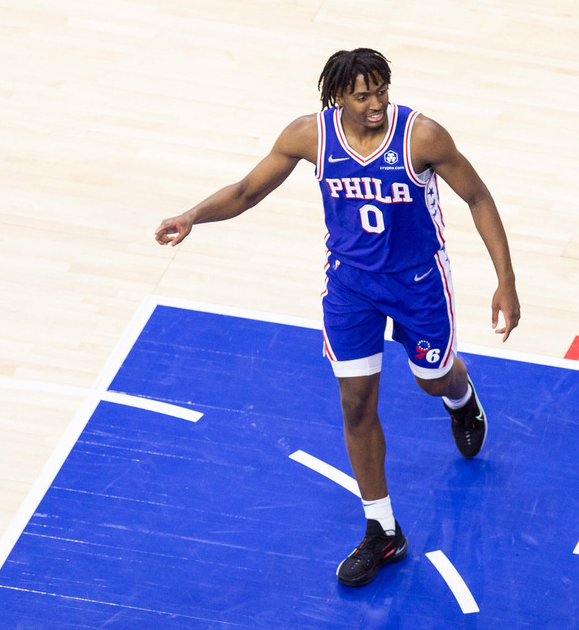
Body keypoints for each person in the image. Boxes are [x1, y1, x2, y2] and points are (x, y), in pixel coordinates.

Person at [154, 48, 520, 587]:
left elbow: (479, 197)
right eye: (362, 95)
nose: (375, 104)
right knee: (355, 403)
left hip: (417, 283)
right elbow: (246, 191)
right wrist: (192, 216)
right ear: (338, 98)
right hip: (351, 286)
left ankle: (461, 399)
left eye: (381, 92)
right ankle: (383, 530)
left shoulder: (422, 137)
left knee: (433, 378)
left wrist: (505, 282)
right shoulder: (310, 136)